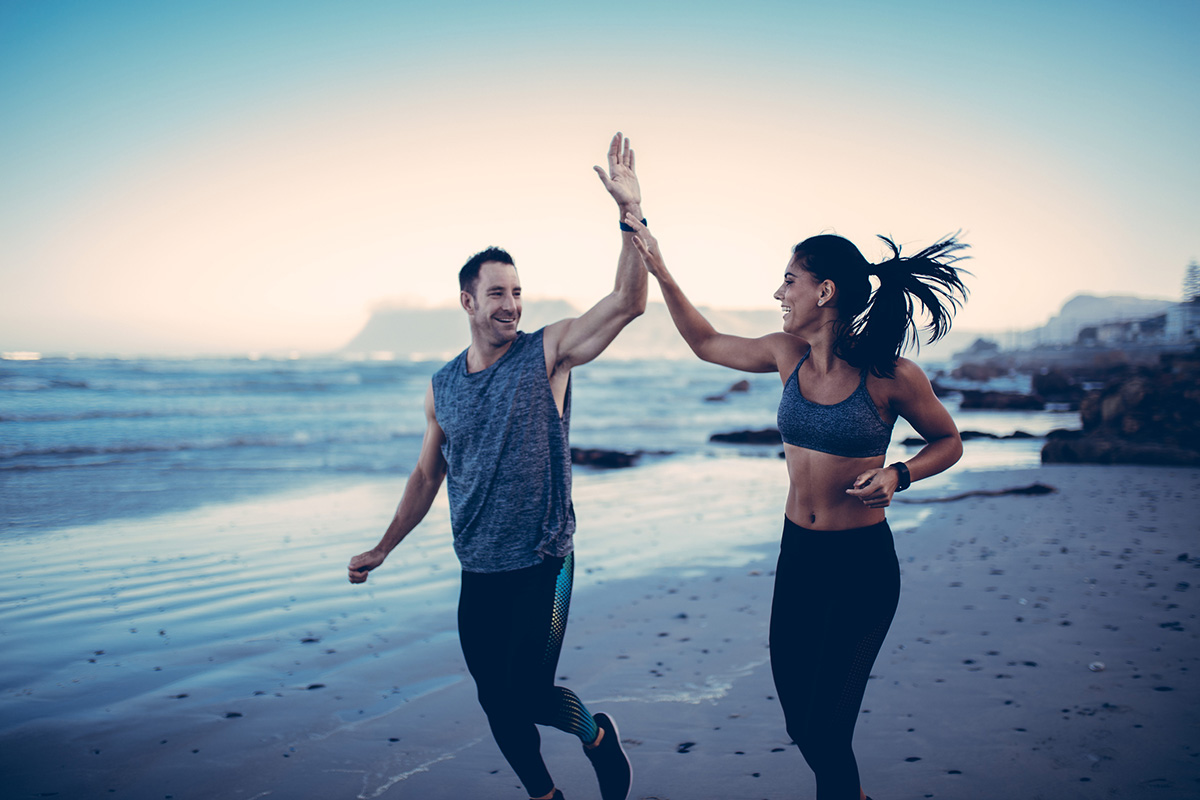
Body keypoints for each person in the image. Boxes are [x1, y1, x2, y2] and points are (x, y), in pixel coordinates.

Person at [624, 217, 969, 800]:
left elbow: (949, 441)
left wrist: (898, 473)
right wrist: (656, 263)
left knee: (827, 732)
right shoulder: (788, 356)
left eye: (789, 280)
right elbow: (705, 343)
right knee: (800, 723)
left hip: (862, 568)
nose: (779, 293)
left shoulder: (890, 376)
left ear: (824, 291)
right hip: (799, 557)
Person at [347, 133, 647, 800]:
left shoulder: (547, 354)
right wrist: (383, 546)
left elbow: (628, 303)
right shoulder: (441, 387)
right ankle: (545, 797)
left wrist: (632, 215)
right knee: (496, 704)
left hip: (542, 561)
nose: (512, 303)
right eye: (498, 293)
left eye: (517, 291)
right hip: (477, 568)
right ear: (468, 302)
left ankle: (599, 736)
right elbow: (428, 477)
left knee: (526, 693)